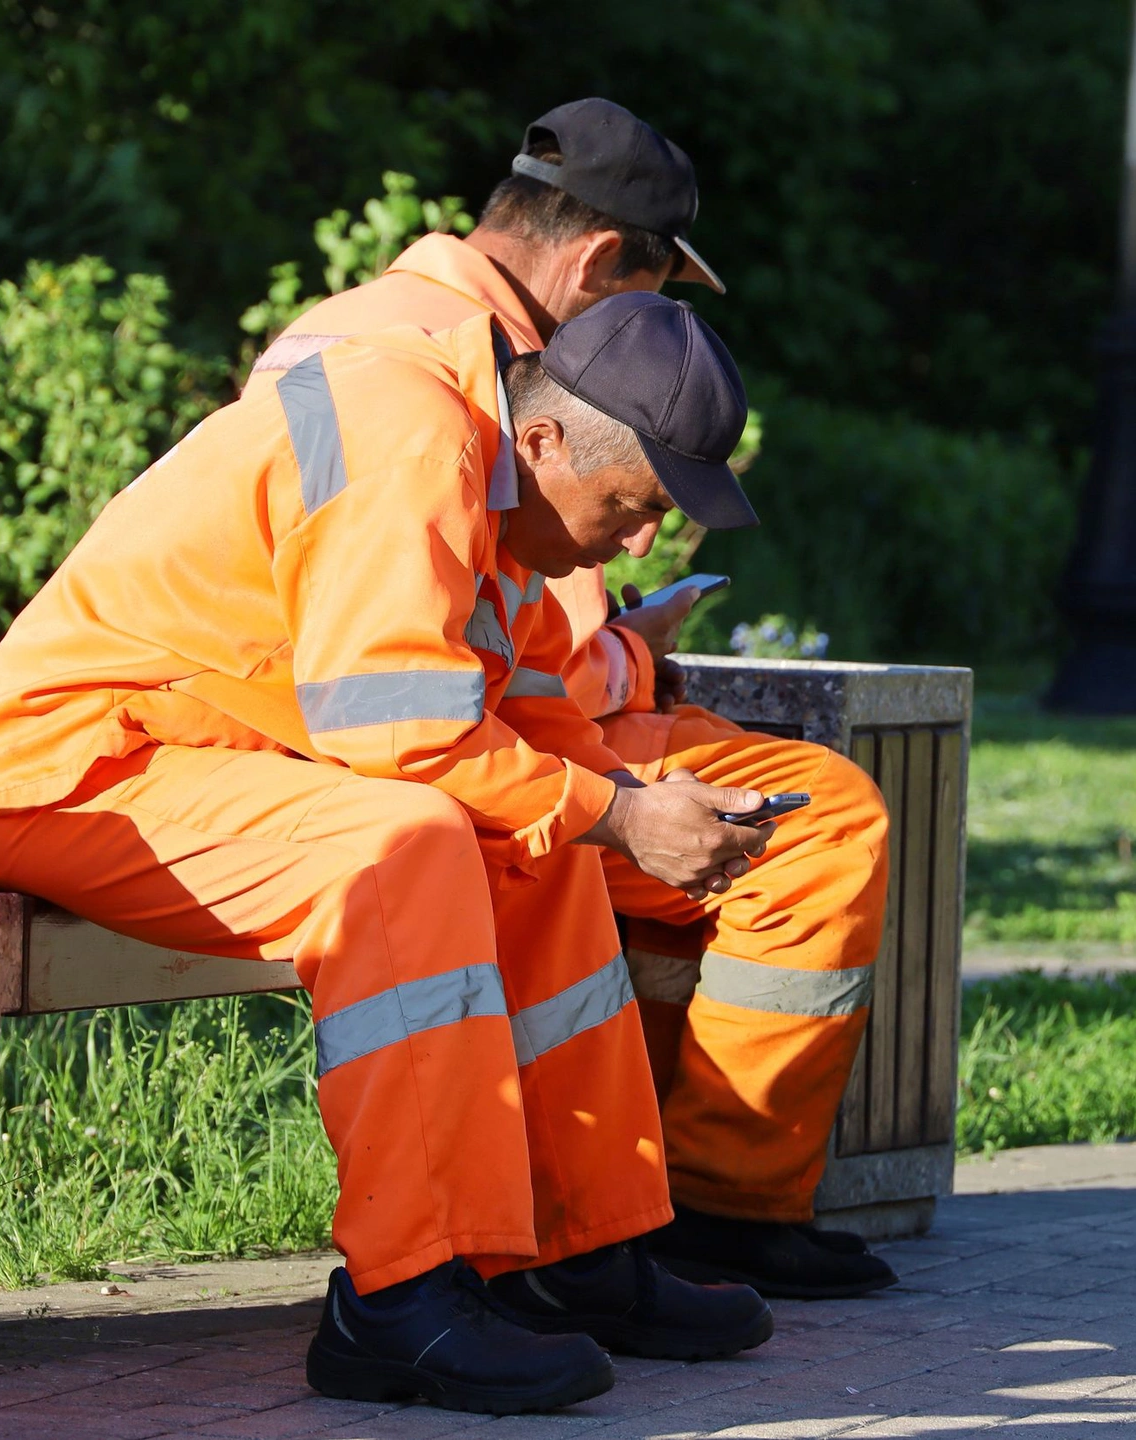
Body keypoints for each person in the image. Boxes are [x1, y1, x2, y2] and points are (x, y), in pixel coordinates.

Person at [0, 294, 779, 1413]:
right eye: (630, 509)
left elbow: (529, 708)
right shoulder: (415, 444)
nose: (636, 547)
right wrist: (625, 817)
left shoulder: (493, 468)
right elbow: (401, 739)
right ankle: (401, 1304)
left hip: (207, 761)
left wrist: (630, 797)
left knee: (543, 843)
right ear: (543, 442)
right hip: (76, 772)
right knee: (408, 845)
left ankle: (576, 1252)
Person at [251, 97, 895, 1298]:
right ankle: (640, 1222)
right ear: (600, 261)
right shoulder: (452, 381)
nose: (643, 341)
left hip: (440, 737)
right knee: (793, 831)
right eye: (645, 303)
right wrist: (628, 729)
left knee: (711, 831)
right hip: (396, 758)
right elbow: (488, 659)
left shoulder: (376, 336)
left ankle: (600, 1231)